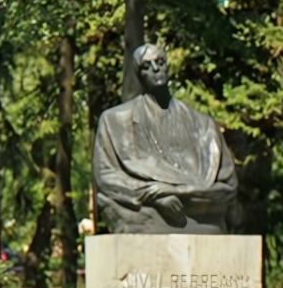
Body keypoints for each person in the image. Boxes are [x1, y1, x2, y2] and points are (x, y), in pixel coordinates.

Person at [92, 43, 239, 234]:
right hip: (147, 211)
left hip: (202, 211)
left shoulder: (203, 125)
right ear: (139, 75)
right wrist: (154, 196)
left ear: (168, 66)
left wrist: (177, 192)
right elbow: (105, 177)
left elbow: (228, 184)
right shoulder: (115, 121)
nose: (155, 69)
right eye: (146, 66)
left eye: (159, 62)